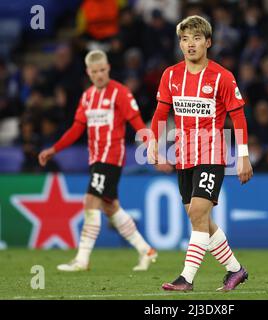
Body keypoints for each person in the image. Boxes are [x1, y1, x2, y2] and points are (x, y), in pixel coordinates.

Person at [148, 16, 253, 291]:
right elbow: (161, 112)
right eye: (184, 39)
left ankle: (186, 278)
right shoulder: (170, 75)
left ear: (208, 42)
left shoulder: (222, 77)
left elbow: (238, 118)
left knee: (197, 213)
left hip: (212, 153)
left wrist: (243, 156)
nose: (189, 44)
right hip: (184, 154)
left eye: (195, 38)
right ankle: (235, 270)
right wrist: (152, 144)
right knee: (201, 219)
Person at [39, 50, 160, 272]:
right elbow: (77, 129)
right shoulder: (87, 97)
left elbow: (137, 123)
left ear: (108, 69)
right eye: (94, 72)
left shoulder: (121, 93)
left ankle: (82, 259)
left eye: (102, 70)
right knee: (111, 208)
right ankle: (146, 250)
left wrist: (151, 145)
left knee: (90, 201)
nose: (99, 75)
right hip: (96, 158)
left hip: (111, 157)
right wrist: (54, 149)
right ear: (88, 72)